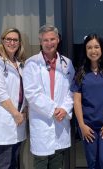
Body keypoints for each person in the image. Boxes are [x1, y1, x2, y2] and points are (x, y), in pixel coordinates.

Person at [22, 24, 75, 169]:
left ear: (58, 40)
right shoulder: (31, 63)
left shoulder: (67, 64)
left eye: (52, 39)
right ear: (40, 42)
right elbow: (32, 93)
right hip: (41, 121)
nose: (49, 43)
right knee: (40, 162)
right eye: (45, 40)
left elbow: (73, 90)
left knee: (57, 163)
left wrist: (64, 108)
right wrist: (53, 110)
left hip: (60, 120)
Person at [71, 34, 103, 169]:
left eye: (96, 47)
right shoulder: (81, 72)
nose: (93, 51)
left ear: (102, 49)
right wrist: (81, 126)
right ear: (85, 50)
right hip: (89, 127)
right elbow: (76, 101)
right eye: (89, 47)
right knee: (93, 163)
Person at [0, 28, 27, 169]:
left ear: (19, 43)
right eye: (8, 39)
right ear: (2, 41)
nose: (12, 42)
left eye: (15, 40)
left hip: (18, 120)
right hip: (6, 119)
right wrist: (16, 114)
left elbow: (24, 92)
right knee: (3, 164)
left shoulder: (20, 64)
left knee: (14, 162)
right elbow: (0, 93)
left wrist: (24, 112)